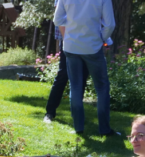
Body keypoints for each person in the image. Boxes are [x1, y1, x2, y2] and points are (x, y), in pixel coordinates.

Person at [51, 0, 119, 136]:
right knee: (101, 87)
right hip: (92, 46)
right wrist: (102, 38)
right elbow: (110, 24)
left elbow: (57, 19)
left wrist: (71, 30)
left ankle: (78, 127)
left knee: (75, 86)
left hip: (71, 46)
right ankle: (104, 129)